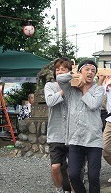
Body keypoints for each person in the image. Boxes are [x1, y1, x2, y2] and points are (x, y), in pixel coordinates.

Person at [57, 59, 104, 193]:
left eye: (93, 70)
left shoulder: (99, 89)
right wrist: (73, 75)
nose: (90, 72)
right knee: (73, 175)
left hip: (93, 140)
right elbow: (60, 79)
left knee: (93, 176)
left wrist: (83, 89)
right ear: (80, 72)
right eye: (87, 69)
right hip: (75, 139)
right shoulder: (71, 88)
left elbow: (93, 104)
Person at [44, 57, 73, 193]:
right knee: (55, 167)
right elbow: (50, 101)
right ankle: (59, 189)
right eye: (58, 69)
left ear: (69, 71)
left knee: (73, 168)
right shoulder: (50, 86)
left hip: (72, 134)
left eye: (64, 69)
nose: (60, 72)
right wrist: (63, 90)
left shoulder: (75, 86)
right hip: (55, 134)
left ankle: (74, 188)